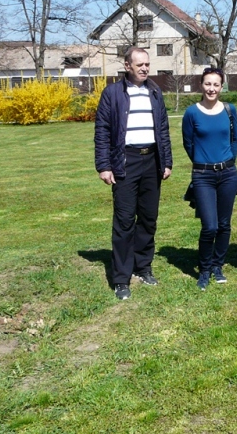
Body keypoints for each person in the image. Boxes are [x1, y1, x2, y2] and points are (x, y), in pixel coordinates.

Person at [94, 47, 173, 300]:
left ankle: (143, 266)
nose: (144, 68)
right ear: (127, 65)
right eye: (139, 64)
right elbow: (102, 132)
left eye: (147, 64)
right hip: (125, 162)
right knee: (125, 221)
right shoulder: (112, 93)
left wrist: (167, 162)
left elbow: (162, 129)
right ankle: (121, 278)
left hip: (152, 161)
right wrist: (104, 166)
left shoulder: (154, 91)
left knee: (149, 219)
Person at [182, 67, 237, 290]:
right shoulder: (192, 113)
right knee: (209, 226)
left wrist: (229, 160)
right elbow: (189, 143)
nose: (212, 88)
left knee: (224, 225)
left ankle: (217, 265)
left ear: (221, 86)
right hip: (202, 175)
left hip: (227, 174)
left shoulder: (229, 110)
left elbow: (235, 138)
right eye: (208, 84)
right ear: (201, 85)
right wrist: (202, 161)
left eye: (216, 84)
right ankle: (204, 270)